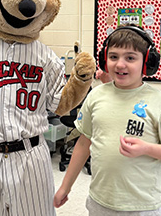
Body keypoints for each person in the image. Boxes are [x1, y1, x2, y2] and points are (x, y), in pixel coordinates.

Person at [54, 26, 161, 215]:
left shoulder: (157, 100)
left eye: (130, 58)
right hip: (100, 201)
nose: (120, 64)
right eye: (113, 57)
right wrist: (65, 187)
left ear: (147, 63)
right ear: (105, 59)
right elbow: (83, 144)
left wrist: (147, 149)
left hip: (143, 206)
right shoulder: (96, 95)